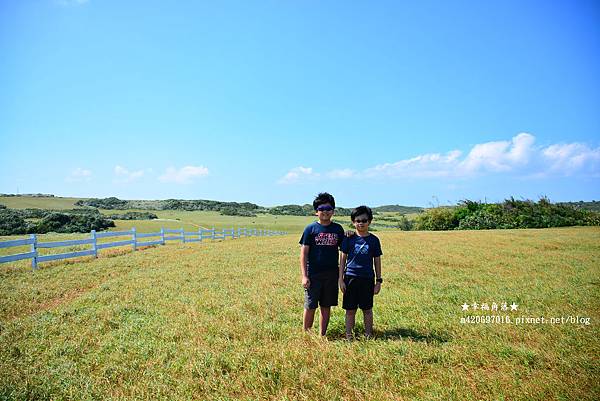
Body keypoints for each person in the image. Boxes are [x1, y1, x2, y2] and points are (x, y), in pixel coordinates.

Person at [299, 192, 345, 336]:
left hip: (332, 274)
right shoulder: (310, 229)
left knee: (326, 306)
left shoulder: (338, 229)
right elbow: (304, 253)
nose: (325, 211)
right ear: (316, 211)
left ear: (333, 211)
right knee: (310, 305)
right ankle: (307, 334)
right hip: (313, 274)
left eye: (328, 208)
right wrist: (304, 276)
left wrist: (350, 235)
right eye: (321, 208)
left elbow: (344, 249)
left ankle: (322, 335)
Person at [338, 205, 383, 339]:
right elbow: (343, 259)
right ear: (353, 222)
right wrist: (340, 279)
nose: (361, 223)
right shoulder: (348, 238)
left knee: (367, 309)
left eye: (364, 220)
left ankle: (368, 335)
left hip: (367, 278)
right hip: (350, 277)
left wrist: (378, 281)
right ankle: (349, 336)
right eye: (358, 221)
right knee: (350, 310)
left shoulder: (374, 240)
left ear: (369, 221)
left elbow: (377, 260)